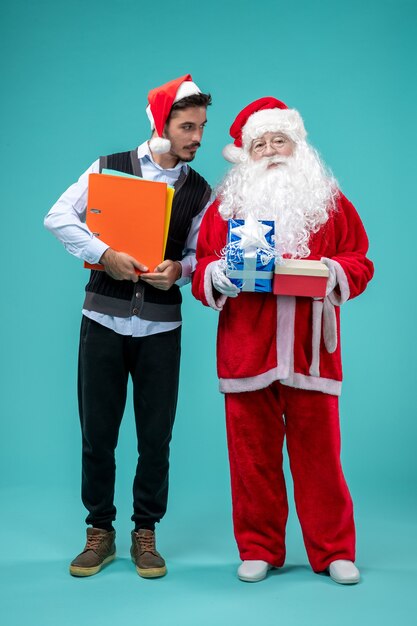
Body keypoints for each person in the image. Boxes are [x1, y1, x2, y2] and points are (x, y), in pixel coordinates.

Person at [192, 97, 373, 585]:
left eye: (280, 140)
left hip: (312, 350)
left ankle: (334, 550)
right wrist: (216, 277)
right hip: (246, 347)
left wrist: (333, 270)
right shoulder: (225, 207)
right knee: (251, 458)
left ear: (298, 146)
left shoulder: (329, 201)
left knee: (320, 456)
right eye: (261, 144)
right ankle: (259, 547)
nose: (271, 151)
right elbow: (203, 261)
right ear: (246, 155)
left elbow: (359, 257)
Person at [44, 74, 212, 578]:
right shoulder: (108, 168)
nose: (197, 137)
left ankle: (146, 533)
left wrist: (178, 271)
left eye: (201, 127)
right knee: (98, 433)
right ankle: (100, 531)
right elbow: (58, 217)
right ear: (161, 124)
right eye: (187, 126)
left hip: (161, 329)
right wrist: (104, 254)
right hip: (102, 321)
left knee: (155, 437)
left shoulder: (200, 191)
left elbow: (198, 255)